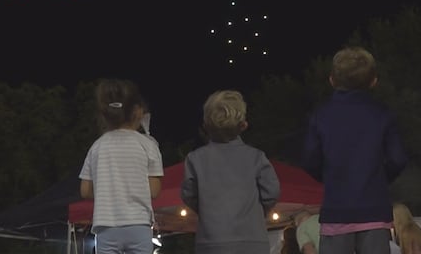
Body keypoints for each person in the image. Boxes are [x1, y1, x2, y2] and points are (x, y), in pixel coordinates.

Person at [302, 46, 408, 254]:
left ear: (332, 79)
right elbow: (398, 158)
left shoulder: (321, 116)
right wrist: (379, 178)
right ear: (373, 81)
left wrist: (330, 178)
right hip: (374, 211)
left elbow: (309, 161)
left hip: (337, 210)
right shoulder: (382, 114)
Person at [181, 89, 280, 253]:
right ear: (243, 125)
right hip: (253, 241)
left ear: (205, 126)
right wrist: (257, 212)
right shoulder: (256, 157)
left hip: (210, 242)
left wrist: (206, 209)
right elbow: (272, 192)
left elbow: (189, 195)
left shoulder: (195, 159)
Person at [79, 78, 164, 254]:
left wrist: (109, 189)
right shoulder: (148, 145)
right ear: (137, 112)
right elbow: (154, 191)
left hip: (106, 226)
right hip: (138, 225)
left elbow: (85, 191)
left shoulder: (97, 147)